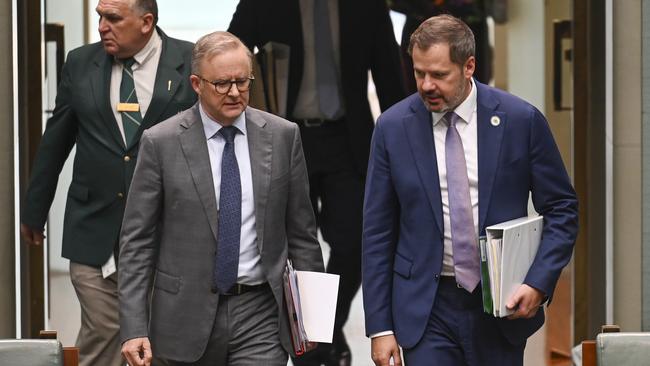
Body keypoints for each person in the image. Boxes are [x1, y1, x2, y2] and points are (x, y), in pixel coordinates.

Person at [362, 15, 578, 366]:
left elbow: (562, 209)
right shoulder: (392, 129)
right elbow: (377, 232)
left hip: (500, 307)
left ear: (469, 67)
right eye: (419, 73)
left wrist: (538, 281)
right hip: (425, 307)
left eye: (439, 74)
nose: (427, 85)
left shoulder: (520, 120)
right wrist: (380, 326)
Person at [118, 31, 324, 366]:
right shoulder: (161, 143)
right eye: (222, 84)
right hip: (183, 316)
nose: (234, 93)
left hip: (260, 313)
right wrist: (133, 327)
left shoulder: (283, 136)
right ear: (197, 84)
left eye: (242, 82)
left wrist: (313, 318)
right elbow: (137, 243)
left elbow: (302, 234)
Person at [228, 1, 405, 364]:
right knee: (294, 247)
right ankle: (316, 343)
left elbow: (389, 73)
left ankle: (321, 331)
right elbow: (230, 52)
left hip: (349, 139)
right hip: (285, 137)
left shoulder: (367, 6)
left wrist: (406, 146)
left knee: (358, 241)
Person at [20, 1, 196, 365]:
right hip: (94, 228)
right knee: (102, 336)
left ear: (146, 22)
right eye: (99, 16)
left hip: (166, 232)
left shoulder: (189, 59)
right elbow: (56, 140)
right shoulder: (81, 62)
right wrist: (33, 210)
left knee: (159, 342)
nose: (102, 26)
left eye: (113, 18)